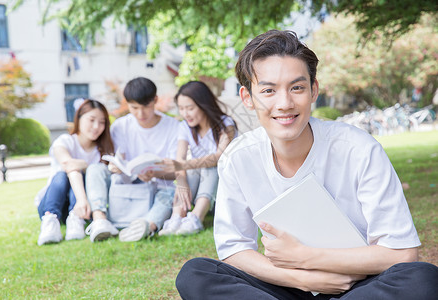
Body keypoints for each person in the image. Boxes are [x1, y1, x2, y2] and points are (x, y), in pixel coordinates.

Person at [175, 30, 438, 299]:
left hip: (357, 284)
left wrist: (306, 256)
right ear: (247, 98)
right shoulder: (238, 158)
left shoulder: (358, 150)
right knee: (196, 274)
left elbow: (403, 253)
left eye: (297, 87)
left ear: (314, 90)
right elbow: (233, 249)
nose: (285, 103)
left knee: (422, 278)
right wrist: (300, 277)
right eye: (268, 90)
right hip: (286, 286)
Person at [85, 77, 179, 242]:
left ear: (155, 101)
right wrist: (115, 166)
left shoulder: (173, 127)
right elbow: (117, 159)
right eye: (134, 108)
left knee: (171, 192)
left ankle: (147, 226)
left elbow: (176, 171)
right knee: (95, 169)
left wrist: (154, 173)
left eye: (146, 107)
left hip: (157, 186)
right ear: (126, 103)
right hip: (125, 183)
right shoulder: (120, 126)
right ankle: (100, 220)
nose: (140, 114)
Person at [159, 81, 237, 236]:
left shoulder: (225, 124)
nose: (185, 113)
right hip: (200, 178)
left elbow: (218, 157)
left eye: (190, 108)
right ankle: (177, 217)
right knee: (190, 171)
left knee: (209, 166)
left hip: (225, 180)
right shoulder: (184, 127)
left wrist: (181, 165)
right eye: (181, 108)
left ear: (204, 104)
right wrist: (181, 182)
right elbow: (179, 159)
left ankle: (196, 217)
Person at [36, 99, 114, 246]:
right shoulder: (65, 141)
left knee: (83, 175)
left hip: (83, 210)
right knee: (62, 175)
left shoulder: (102, 150)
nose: (96, 127)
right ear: (79, 118)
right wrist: (82, 199)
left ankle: (76, 219)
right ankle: (50, 222)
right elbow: (69, 165)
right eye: (91, 120)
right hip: (53, 204)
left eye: (102, 122)